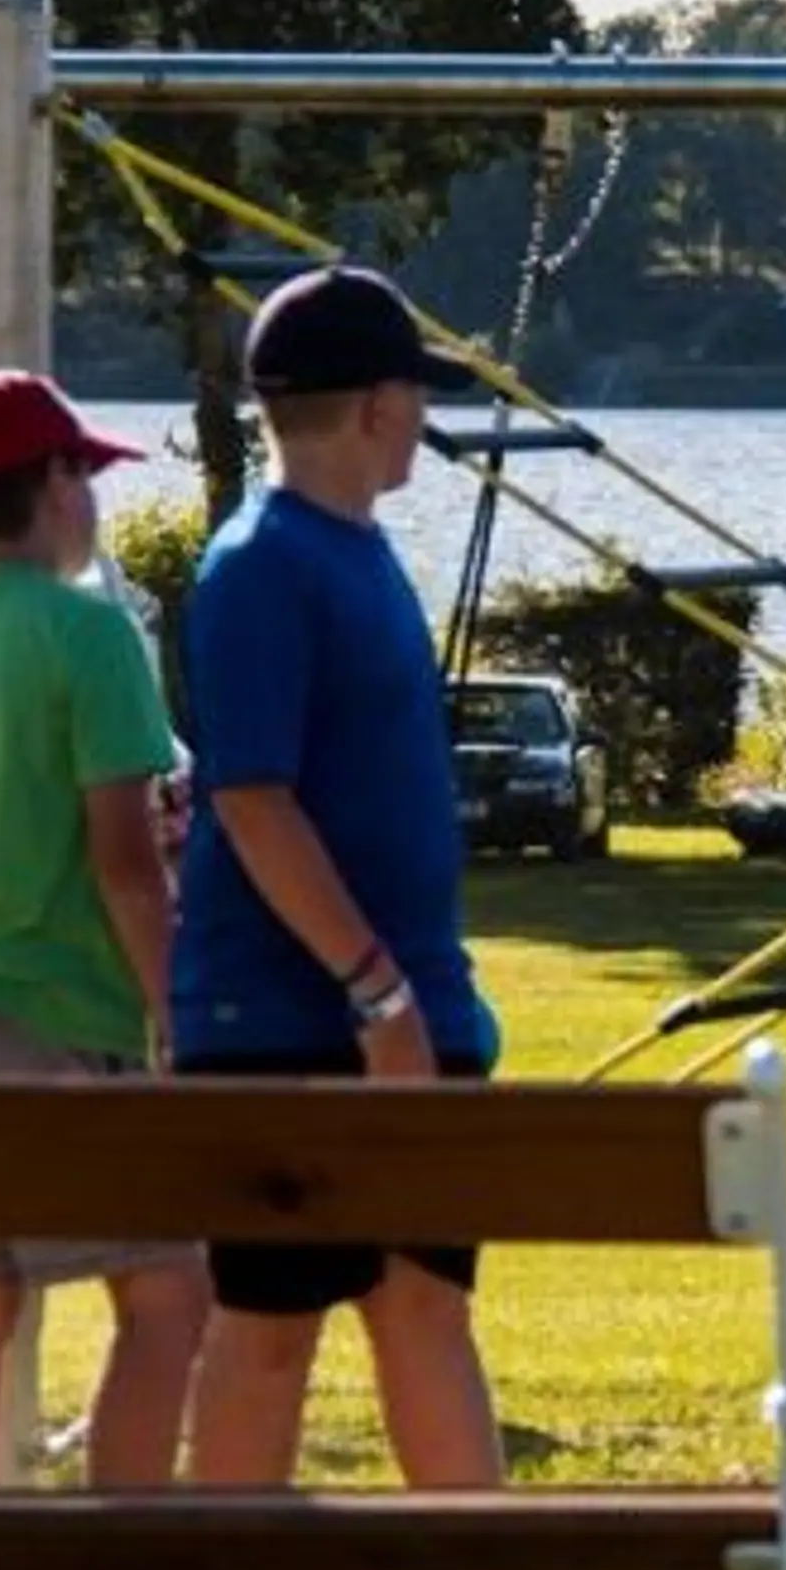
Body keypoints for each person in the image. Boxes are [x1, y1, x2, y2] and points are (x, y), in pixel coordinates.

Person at [171, 265, 503, 1490]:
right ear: (375, 405)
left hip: (412, 1010)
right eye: (416, 394)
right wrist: (378, 996)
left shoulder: (357, 554)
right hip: (286, 1021)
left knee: (425, 1309)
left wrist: (423, 1003)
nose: (424, 417)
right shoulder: (260, 562)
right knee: (267, 1335)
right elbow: (251, 800)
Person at [0, 371, 207, 1490]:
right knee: (170, 1299)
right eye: (88, 474)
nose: (98, 503)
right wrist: (177, 1014)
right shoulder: (91, 635)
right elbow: (124, 858)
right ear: (53, 485)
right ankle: (119, 1559)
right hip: (60, 1014)